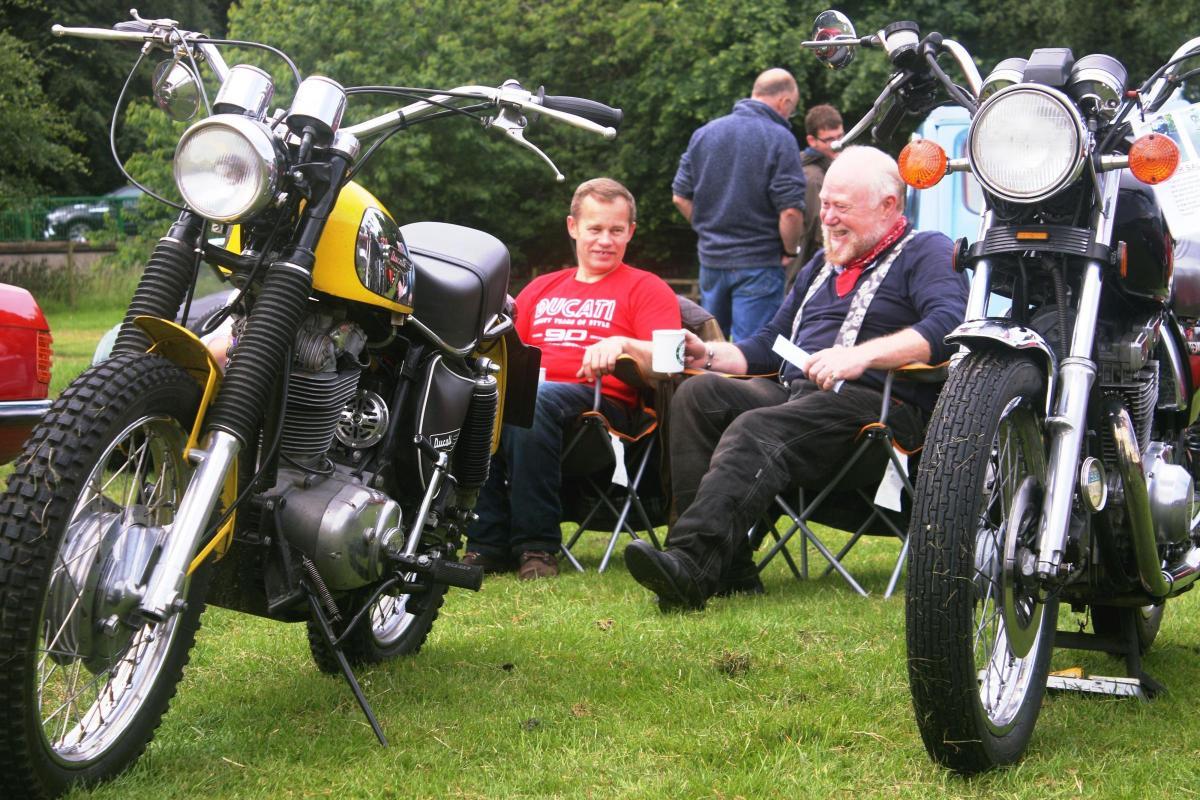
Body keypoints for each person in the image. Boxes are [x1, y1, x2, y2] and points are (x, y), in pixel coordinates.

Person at [625, 146, 969, 610]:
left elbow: (950, 327)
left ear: (889, 206)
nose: (826, 218)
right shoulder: (822, 266)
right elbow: (770, 342)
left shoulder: (926, 250)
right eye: (824, 204)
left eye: (841, 206)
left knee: (758, 425)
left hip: (879, 411)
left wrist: (859, 357)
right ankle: (730, 566)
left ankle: (692, 565)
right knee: (698, 392)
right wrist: (710, 354)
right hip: (799, 398)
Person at [464, 177, 681, 580]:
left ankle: (537, 547)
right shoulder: (541, 289)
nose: (605, 240)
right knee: (482, 395)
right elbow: (506, 350)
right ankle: (486, 543)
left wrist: (623, 345)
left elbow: (671, 365)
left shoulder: (647, 288)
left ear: (631, 231)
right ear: (573, 227)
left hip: (603, 409)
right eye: (595, 229)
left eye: (616, 230)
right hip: (537, 400)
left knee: (534, 400)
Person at [672, 68, 807, 341]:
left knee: (708, 350)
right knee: (751, 356)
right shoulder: (781, 138)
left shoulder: (704, 134)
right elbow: (791, 211)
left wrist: (707, 229)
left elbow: (680, 196)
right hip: (760, 263)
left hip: (711, 261)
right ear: (785, 102)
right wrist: (790, 251)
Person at [786, 103, 844, 292]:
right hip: (804, 273)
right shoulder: (813, 178)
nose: (837, 145)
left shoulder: (827, 170)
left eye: (840, 137)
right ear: (812, 141)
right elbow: (823, 231)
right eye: (829, 140)